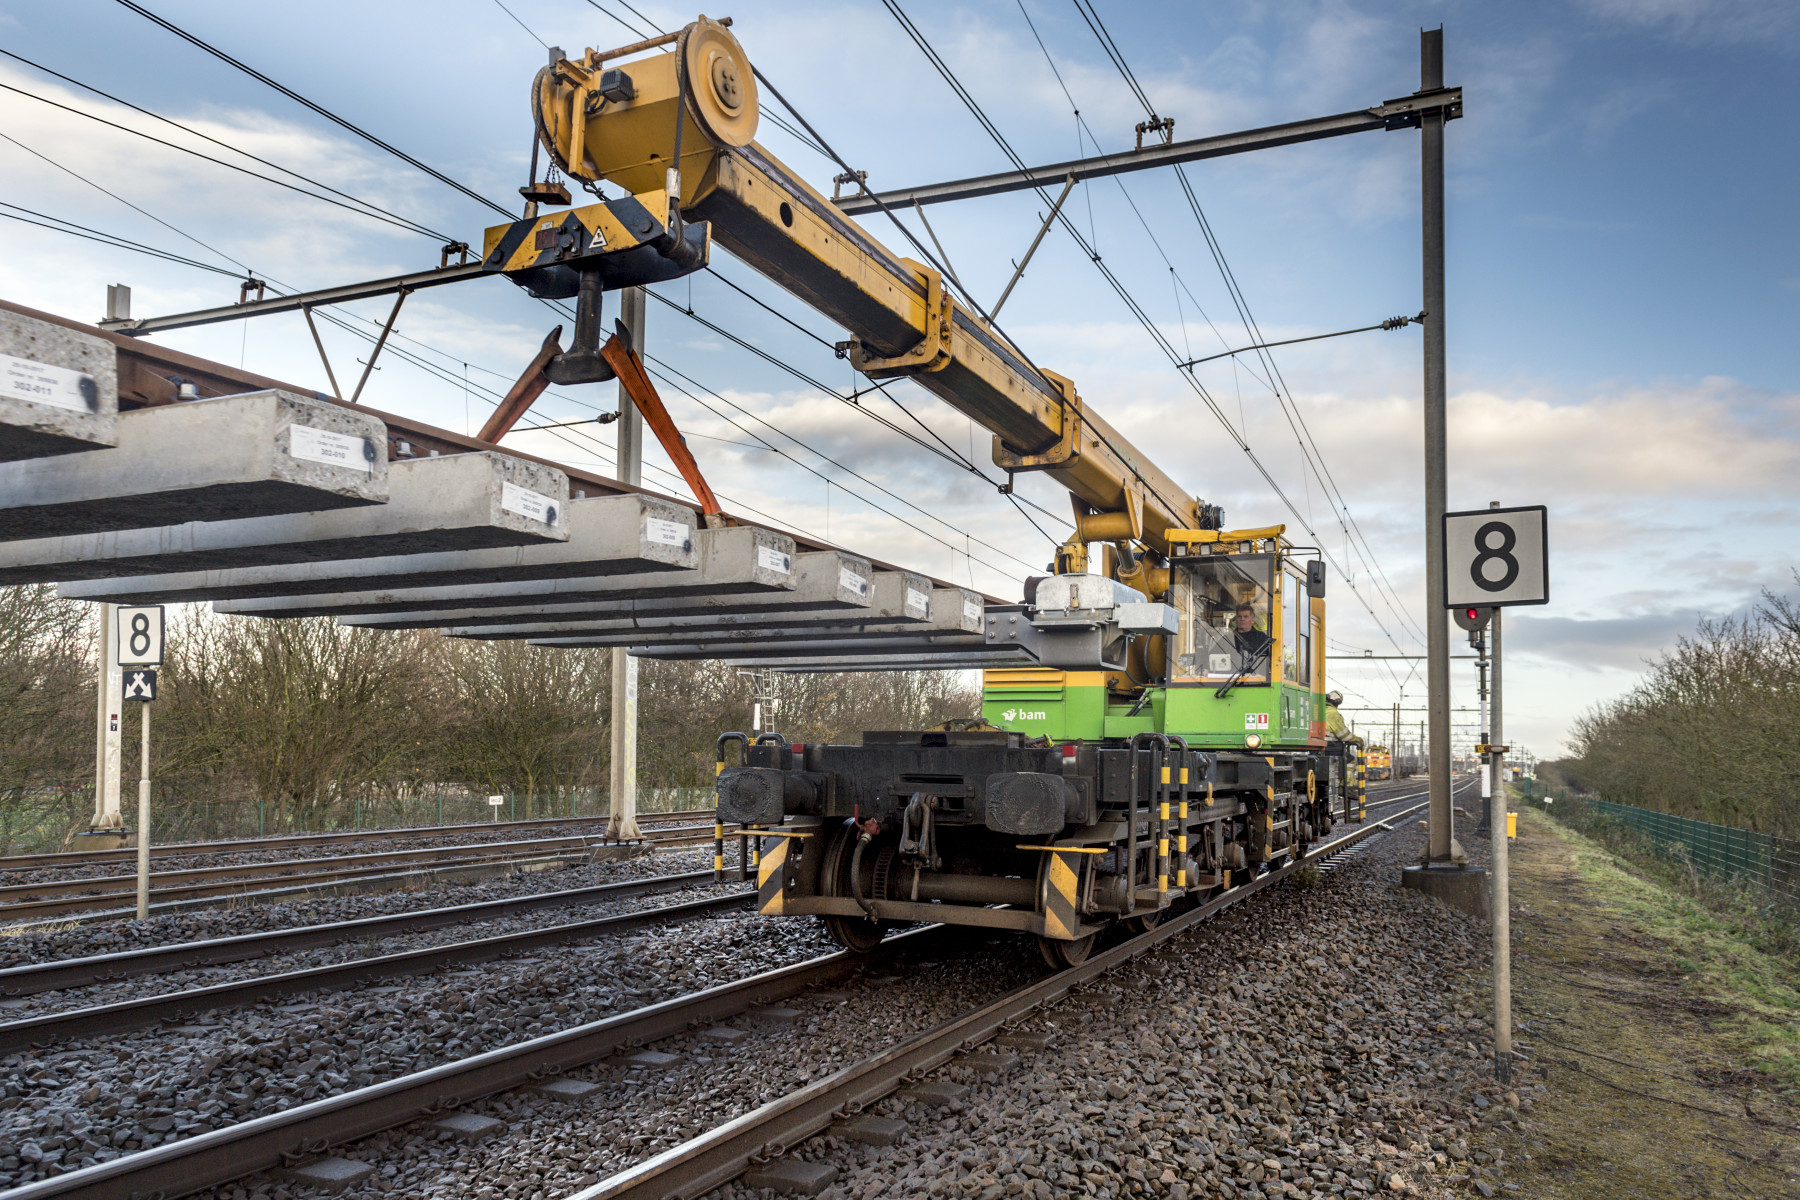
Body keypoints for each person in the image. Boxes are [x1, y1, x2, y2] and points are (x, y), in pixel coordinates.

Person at [1232, 602, 1271, 669]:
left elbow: (1269, 659)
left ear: (1252, 620)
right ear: (1236, 620)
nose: (1242, 619)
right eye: (1239, 616)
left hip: (1257, 676)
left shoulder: (1261, 637)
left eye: (1246, 616)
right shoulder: (1228, 637)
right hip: (1230, 675)